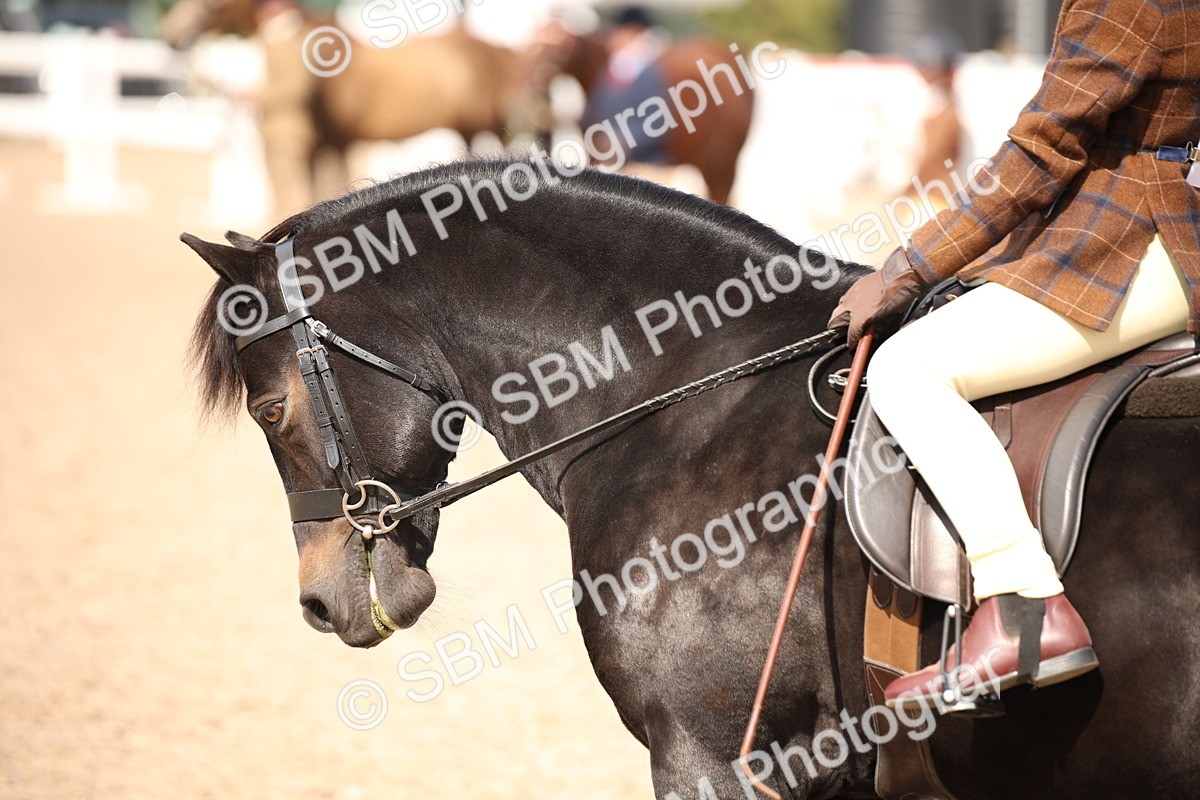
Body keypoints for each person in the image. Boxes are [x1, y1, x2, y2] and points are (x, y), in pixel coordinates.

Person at [830, 0, 1199, 710]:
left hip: (1132, 237)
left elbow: (1041, 151)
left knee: (909, 369)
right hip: (1149, 220)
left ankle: (1023, 604)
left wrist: (906, 269)